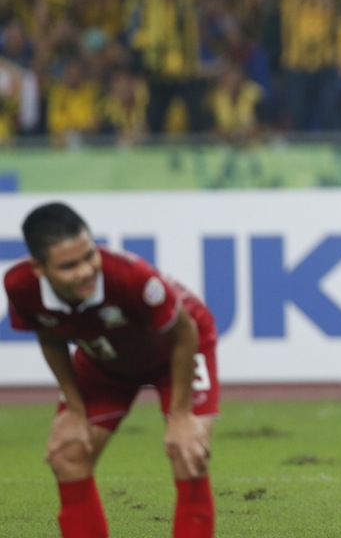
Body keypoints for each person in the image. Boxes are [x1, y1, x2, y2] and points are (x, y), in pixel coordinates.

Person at [3, 203, 219, 537]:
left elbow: (185, 332)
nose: (86, 271)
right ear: (39, 268)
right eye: (68, 266)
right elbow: (49, 335)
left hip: (177, 352)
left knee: (187, 451)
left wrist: (179, 417)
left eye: (90, 255)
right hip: (104, 361)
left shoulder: (131, 276)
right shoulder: (20, 287)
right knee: (68, 454)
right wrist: (74, 410)